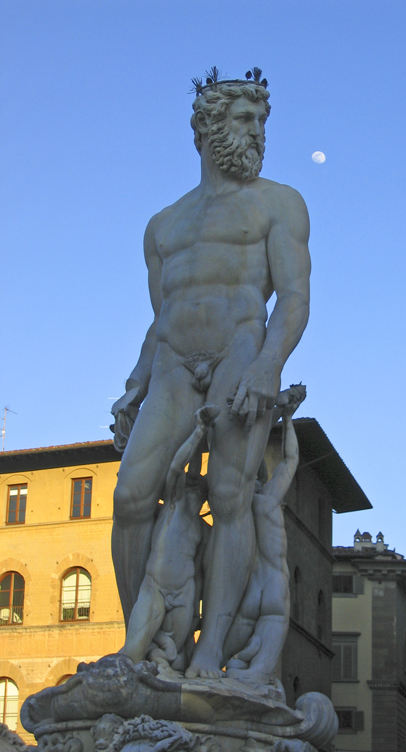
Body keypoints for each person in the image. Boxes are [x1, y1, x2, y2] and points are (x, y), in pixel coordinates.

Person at [110, 69, 311, 680]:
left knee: (229, 498)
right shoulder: (162, 225)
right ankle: (142, 643)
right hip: (173, 362)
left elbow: (295, 300)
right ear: (207, 127)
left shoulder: (280, 202)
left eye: (262, 122)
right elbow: (161, 315)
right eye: (245, 119)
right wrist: (135, 383)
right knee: (131, 496)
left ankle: (211, 649)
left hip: (240, 352)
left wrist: (266, 365)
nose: (258, 132)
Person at [118, 405, 218, 673]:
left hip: (183, 593)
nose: (194, 484)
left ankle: (159, 669)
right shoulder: (173, 503)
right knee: (133, 650)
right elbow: (177, 465)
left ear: (205, 496)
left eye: (200, 486)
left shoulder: (202, 529)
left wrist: (196, 612)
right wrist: (199, 432)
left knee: (178, 659)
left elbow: (199, 572)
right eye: (192, 481)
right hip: (156, 588)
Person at [223, 384, 306, 683]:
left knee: (222, 661)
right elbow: (291, 459)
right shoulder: (269, 501)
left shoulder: (233, 509)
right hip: (273, 589)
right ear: (263, 478)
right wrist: (289, 418)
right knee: (258, 673)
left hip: (247, 594)